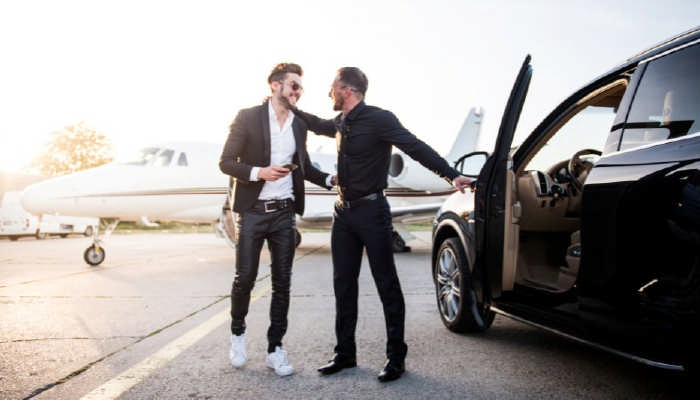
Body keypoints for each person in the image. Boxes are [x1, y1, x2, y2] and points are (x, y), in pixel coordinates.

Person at [292, 67, 471, 382]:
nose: (329, 92)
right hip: (343, 213)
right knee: (343, 285)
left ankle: (396, 358)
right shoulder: (341, 122)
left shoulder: (380, 119)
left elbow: (415, 147)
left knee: (386, 283)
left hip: (372, 212)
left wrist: (451, 174)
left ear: (347, 90)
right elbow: (316, 124)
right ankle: (345, 354)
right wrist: (285, 104)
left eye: (332, 87)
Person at [219, 62, 335, 377]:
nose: (298, 91)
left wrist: (329, 180)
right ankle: (238, 335)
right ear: (275, 85)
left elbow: (304, 165)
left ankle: (275, 349)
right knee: (245, 278)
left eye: (301, 87)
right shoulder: (247, 117)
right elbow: (226, 162)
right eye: (294, 85)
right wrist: (261, 172)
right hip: (253, 212)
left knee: (283, 283)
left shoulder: (299, 124)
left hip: (284, 213)